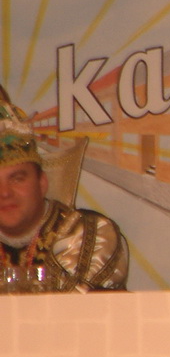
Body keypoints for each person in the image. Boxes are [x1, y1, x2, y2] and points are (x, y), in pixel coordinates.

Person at [0, 91, 128, 292]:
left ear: (42, 183)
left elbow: (69, 306)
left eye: (17, 179)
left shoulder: (86, 233)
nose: (4, 193)